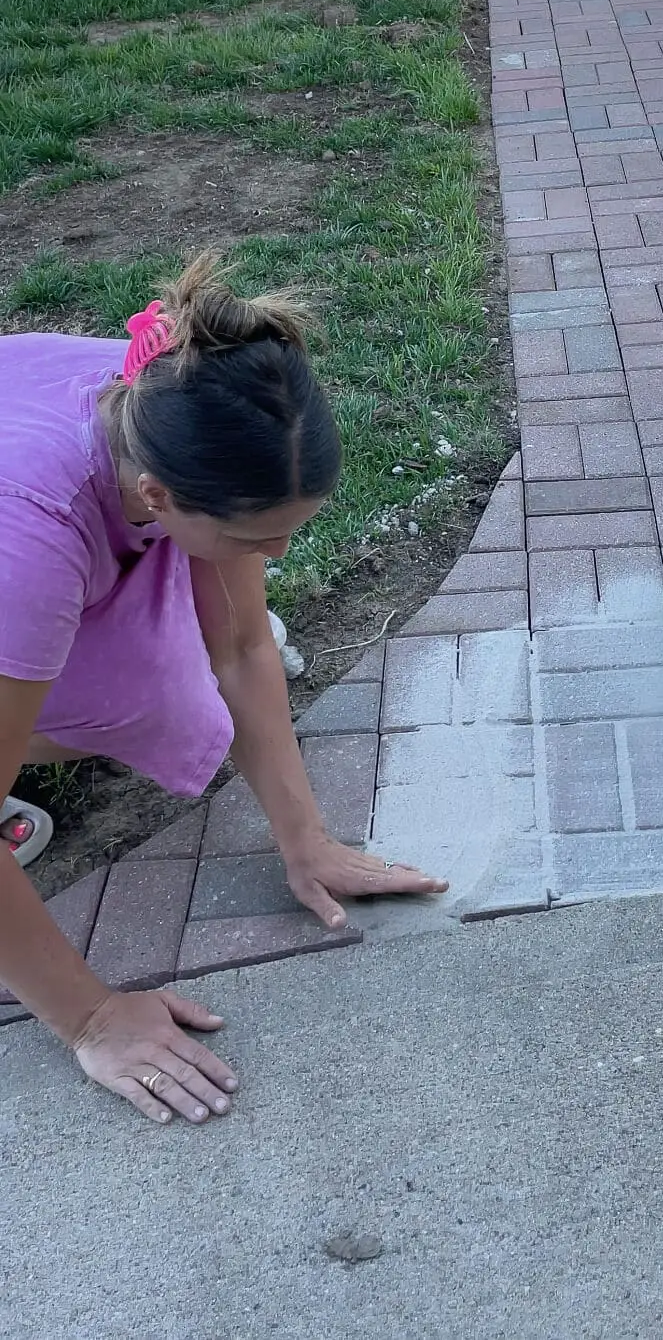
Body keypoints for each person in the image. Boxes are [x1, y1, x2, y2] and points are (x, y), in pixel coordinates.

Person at [0, 253, 446, 1125]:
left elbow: (243, 646)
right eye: (258, 536)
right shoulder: (32, 538)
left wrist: (306, 841)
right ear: (158, 496)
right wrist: (92, 1017)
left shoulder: (172, 400)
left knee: (188, 685)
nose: (277, 556)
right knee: (148, 697)